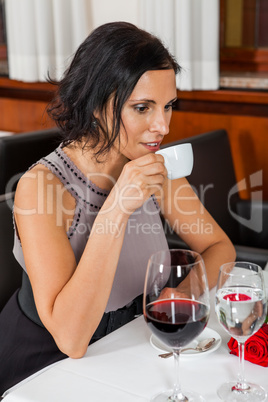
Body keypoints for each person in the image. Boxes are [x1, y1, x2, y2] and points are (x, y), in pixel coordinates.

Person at [0, 21, 235, 394]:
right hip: (48, 367)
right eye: (142, 107)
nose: (162, 126)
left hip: (131, 345)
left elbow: (220, 249)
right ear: (96, 104)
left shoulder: (157, 166)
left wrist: (185, 292)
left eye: (168, 106)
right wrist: (117, 208)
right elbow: (72, 339)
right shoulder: (41, 188)